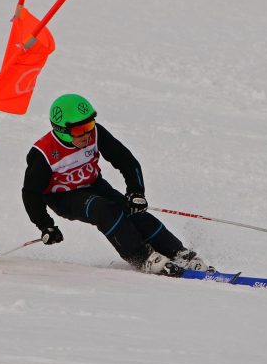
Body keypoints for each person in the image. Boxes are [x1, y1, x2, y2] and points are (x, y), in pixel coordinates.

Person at [21, 94, 212, 276]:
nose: (87, 134)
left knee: (132, 210)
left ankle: (178, 252)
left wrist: (136, 192)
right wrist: (46, 225)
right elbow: (30, 193)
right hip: (63, 197)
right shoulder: (43, 153)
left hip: (94, 185)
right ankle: (141, 256)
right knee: (104, 210)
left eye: (89, 124)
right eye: (79, 130)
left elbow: (127, 161)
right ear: (61, 130)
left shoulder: (96, 133)